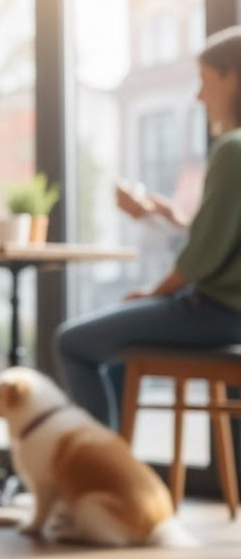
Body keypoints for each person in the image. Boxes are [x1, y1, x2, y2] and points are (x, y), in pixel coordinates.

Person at [55, 25, 241, 428]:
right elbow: (225, 241)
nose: (199, 95)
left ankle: (102, 472)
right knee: (119, 345)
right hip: (230, 312)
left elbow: (199, 260)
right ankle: (119, 472)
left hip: (218, 312)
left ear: (233, 78)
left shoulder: (232, 149)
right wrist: (172, 219)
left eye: (206, 81)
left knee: (71, 342)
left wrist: (152, 294)